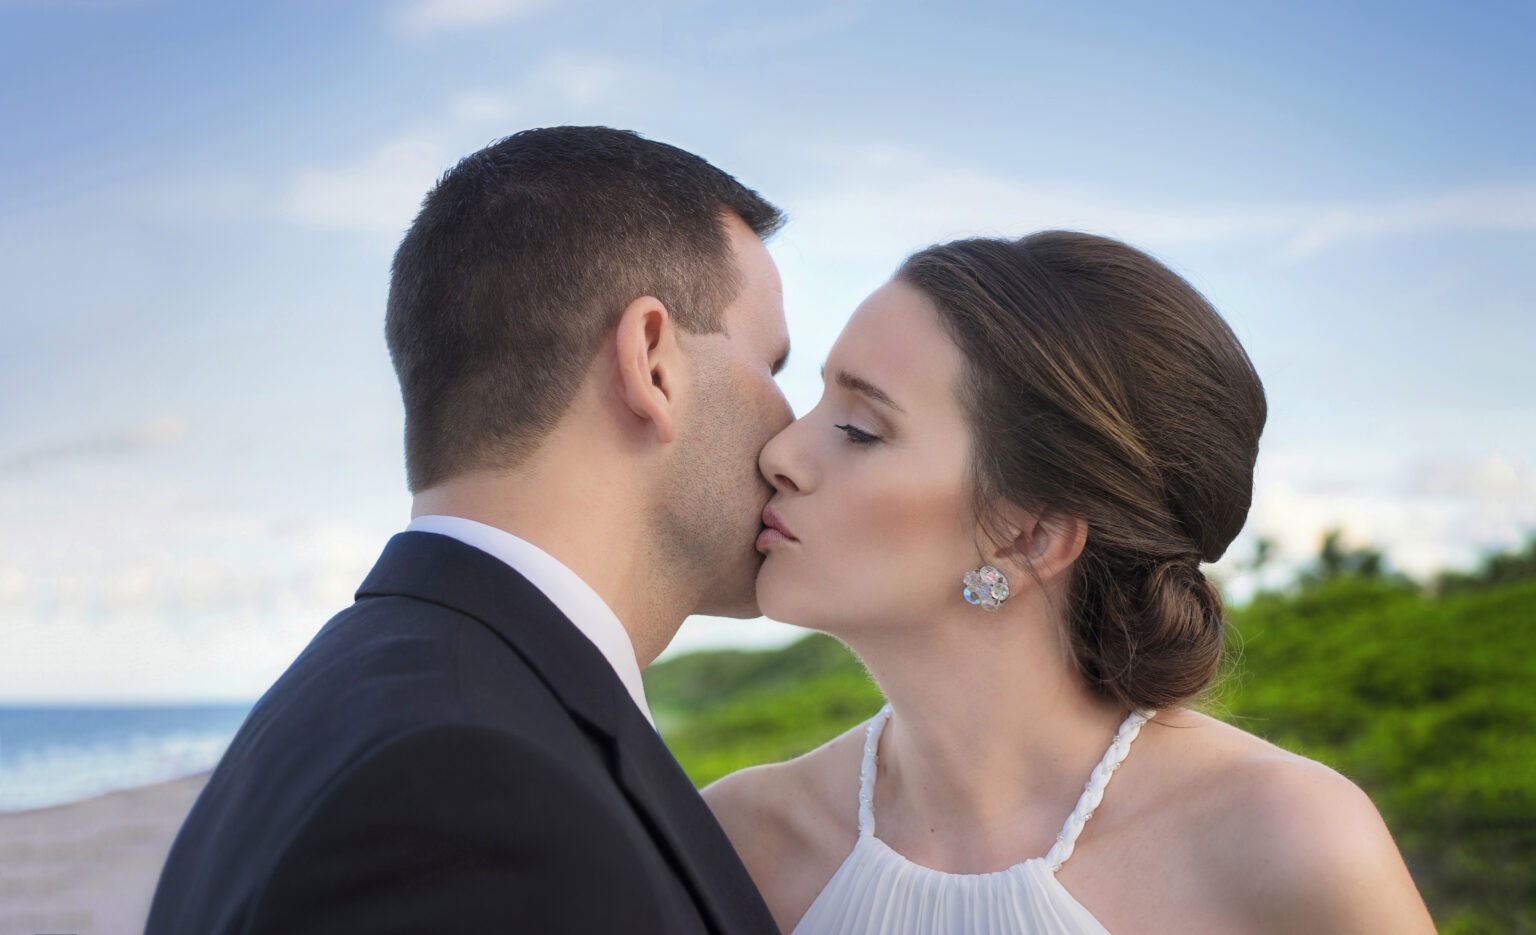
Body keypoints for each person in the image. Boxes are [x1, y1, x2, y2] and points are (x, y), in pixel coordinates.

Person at [146, 127, 788, 934]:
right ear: (653, 362)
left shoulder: (351, 704)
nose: (795, 433)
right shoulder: (469, 791)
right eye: (774, 366)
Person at [705, 231, 1437, 934]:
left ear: (1032, 537)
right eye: (817, 400)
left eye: (861, 429)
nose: (782, 451)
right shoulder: (744, 840)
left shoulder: (1288, 840)